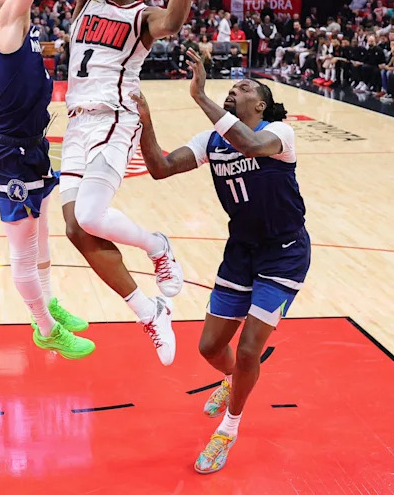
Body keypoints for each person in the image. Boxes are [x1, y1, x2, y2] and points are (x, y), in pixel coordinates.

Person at [61, 0, 221, 365]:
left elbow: (174, 20)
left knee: (89, 215)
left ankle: (157, 246)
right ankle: (149, 310)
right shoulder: (84, 0)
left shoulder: (143, 16)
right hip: (75, 124)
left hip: (116, 118)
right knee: (76, 231)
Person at [132, 48, 310, 474]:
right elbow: (159, 168)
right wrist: (145, 117)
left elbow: (248, 143)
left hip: (284, 255)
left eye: (243, 88)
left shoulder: (279, 134)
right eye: (229, 88)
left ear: (260, 104)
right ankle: (232, 382)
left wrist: (200, 95)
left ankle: (228, 427)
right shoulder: (210, 141)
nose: (234, 91)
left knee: (249, 349)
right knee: (210, 347)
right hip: (241, 252)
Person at [0, 0, 98, 358]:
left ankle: (48, 305)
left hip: (33, 145)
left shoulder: (20, 27)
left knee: (43, 238)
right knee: (23, 252)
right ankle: (44, 327)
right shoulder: (3, 21)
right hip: (10, 151)